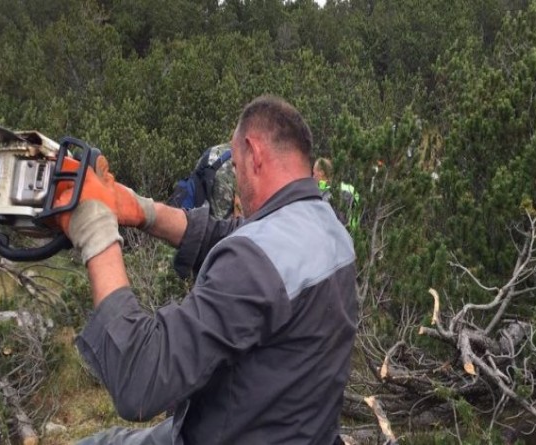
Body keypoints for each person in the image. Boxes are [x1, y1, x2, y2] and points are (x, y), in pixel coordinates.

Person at [52, 95, 358, 444]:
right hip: (286, 426)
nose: (237, 178)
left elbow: (139, 381)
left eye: (237, 167)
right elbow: (226, 234)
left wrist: (96, 231)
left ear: (253, 153)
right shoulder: (329, 228)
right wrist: (140, 210)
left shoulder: (254, 263)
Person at [312, 157, 360, 229]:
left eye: (314, 173)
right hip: (349, 234)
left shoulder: (320, 192)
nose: (313, 176)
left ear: (321, 172)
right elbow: (356, 214)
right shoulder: (350, 189)